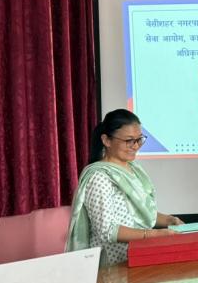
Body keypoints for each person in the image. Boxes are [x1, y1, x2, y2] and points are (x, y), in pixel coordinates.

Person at [66, 109, 184, 266]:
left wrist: (170, 220)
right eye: (129, 140)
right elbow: (107, 230)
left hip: (139, 258)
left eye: (139, 139)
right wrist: (152, 235)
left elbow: (140, 213)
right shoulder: (98, 177)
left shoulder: (134, 169)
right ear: (106, 140)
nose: (135, 146)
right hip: (112, 267)